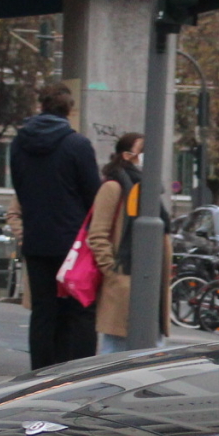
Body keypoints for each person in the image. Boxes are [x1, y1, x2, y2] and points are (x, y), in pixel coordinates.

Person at [7, 83, 102, 369]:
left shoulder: (18, 143)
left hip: (36, 239)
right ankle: (77, 372)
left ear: (42, 107)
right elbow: (93, 196)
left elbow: (20, 188)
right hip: (73, 245)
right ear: (69, 111)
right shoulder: (77, 145)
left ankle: (40, 373)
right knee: (80, 309)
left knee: (43, 311)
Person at [85, 132, 144, 355]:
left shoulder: (147, 188)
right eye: (142, 152)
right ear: (127, 155)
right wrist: (112, 271)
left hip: (147, 280)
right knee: (115, 351)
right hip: (123, 278)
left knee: (150, 350)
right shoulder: (114, 187)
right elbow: (97, 234)